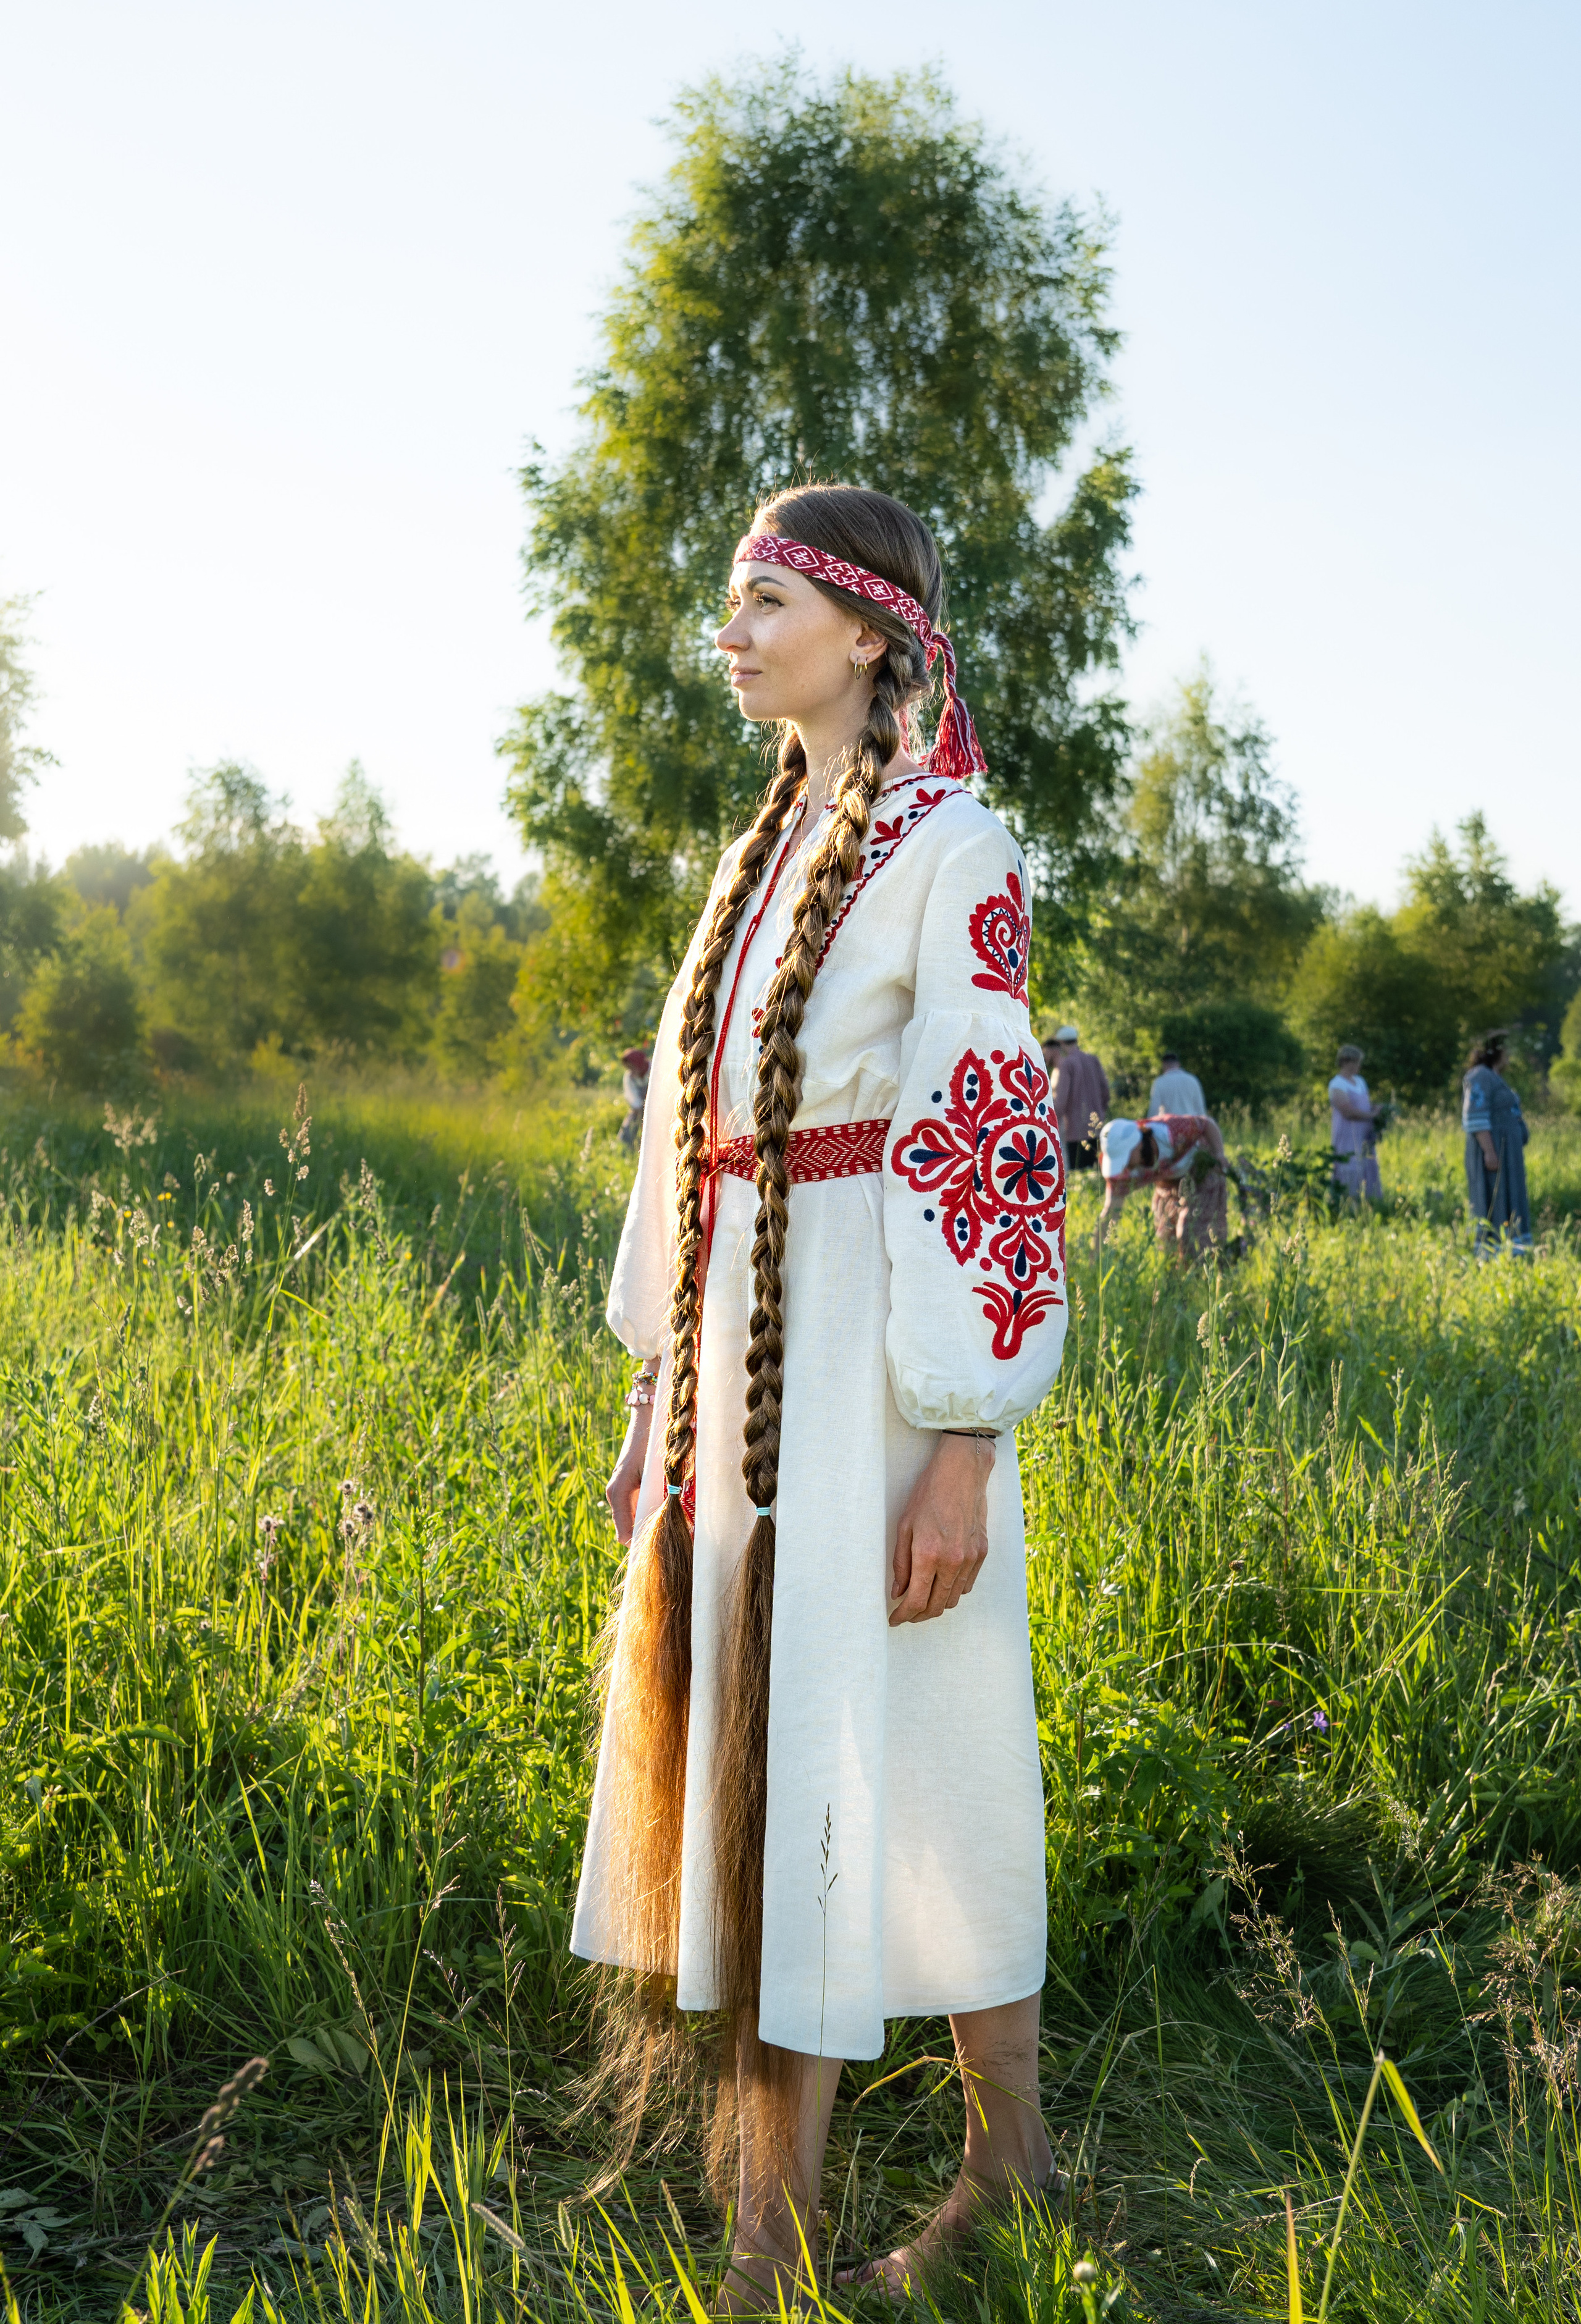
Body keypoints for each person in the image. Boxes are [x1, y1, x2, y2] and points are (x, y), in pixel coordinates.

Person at [576, 485, 1067, 2308]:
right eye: (728, 597)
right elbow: (685, 1148)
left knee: (934, 1761)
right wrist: (656, 1400)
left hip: (883, 1366)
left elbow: (990, 1151)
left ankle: (998, 2164)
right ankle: (769, 2230)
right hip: (742, 1381)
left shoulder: (958, 845)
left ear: (864, 633)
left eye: (763, 597)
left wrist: (959, 1446)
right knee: (763, 1767)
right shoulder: (752, 853)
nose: (731, 626)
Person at [1095, 1111, 1228, 1260]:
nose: (1124, 1165)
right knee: (1165, 1238)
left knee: (1189, 1232)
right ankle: (1177, 1278)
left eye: (1124, 1157)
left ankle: (1205, 1274)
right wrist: (1095, 1260)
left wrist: (1219, 1154)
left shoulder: (1170, 1131)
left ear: (1136, 1144)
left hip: (1202, 1171)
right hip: (1169, 1183)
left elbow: (1206, 1124)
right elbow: (1111, 1211)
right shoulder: (1123, 1173)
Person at [1462, 1030, 1532, 1255]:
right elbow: (1476, 1115)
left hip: (1507, 1150)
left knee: (1510, 1193)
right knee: (1494, 1195)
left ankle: (1513, 1248)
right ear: (1498, 1052)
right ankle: (1490, 1252)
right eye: (1507, 1050)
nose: (1510, 1055)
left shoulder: (1494, 1076)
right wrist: (1490, 1152)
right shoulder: (1479, 1076)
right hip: (1493, 1148)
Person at [1044, 1024, 1109, 1169]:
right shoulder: (1093, 1060)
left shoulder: (1066, 1065)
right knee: (1097, 1173)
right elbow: (1106, 1092)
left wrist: (1050, 1123)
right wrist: (1100, 1112)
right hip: (1097, 1126)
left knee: (1080, 1175)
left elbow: (1061, 1102)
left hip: (1075, 1131)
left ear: (1061, 1044)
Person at [1327, 1043, 1382, 1200]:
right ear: (1346, 1062)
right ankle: (1348, 1202)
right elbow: (1348, 1112)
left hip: (1364, 1134)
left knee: (1367, 1164)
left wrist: (1377, 1109)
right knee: (1349, 1166)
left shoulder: (1360, 1081)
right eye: (1356, 1062)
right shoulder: (1337, 1084)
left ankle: (1370, 1202)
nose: (1359, 1066)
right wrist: (1372, 1115)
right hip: (1347, 1134)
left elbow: (1364, 1105)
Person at [1147, 1050, 1205, 1117]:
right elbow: (1200, 1108)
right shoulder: (1193, 1080)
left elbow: (1154, 1109)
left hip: (1169, 1123)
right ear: (1178, 1064)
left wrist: (1150, 1124)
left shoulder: (1160, 1082)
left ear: (1163, 1065)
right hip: (1190, 1123)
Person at [618, 1045, 652, 1147]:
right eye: (628, 1068)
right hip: (640, 1108)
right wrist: (641, 1111)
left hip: (658, 1105)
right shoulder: (629, 1078)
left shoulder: (653, 1069)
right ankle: (627, 1149)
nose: (630, 1070)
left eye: (632, 1067)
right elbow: (633, 1098)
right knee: (628, 1129)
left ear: (638, 1063)